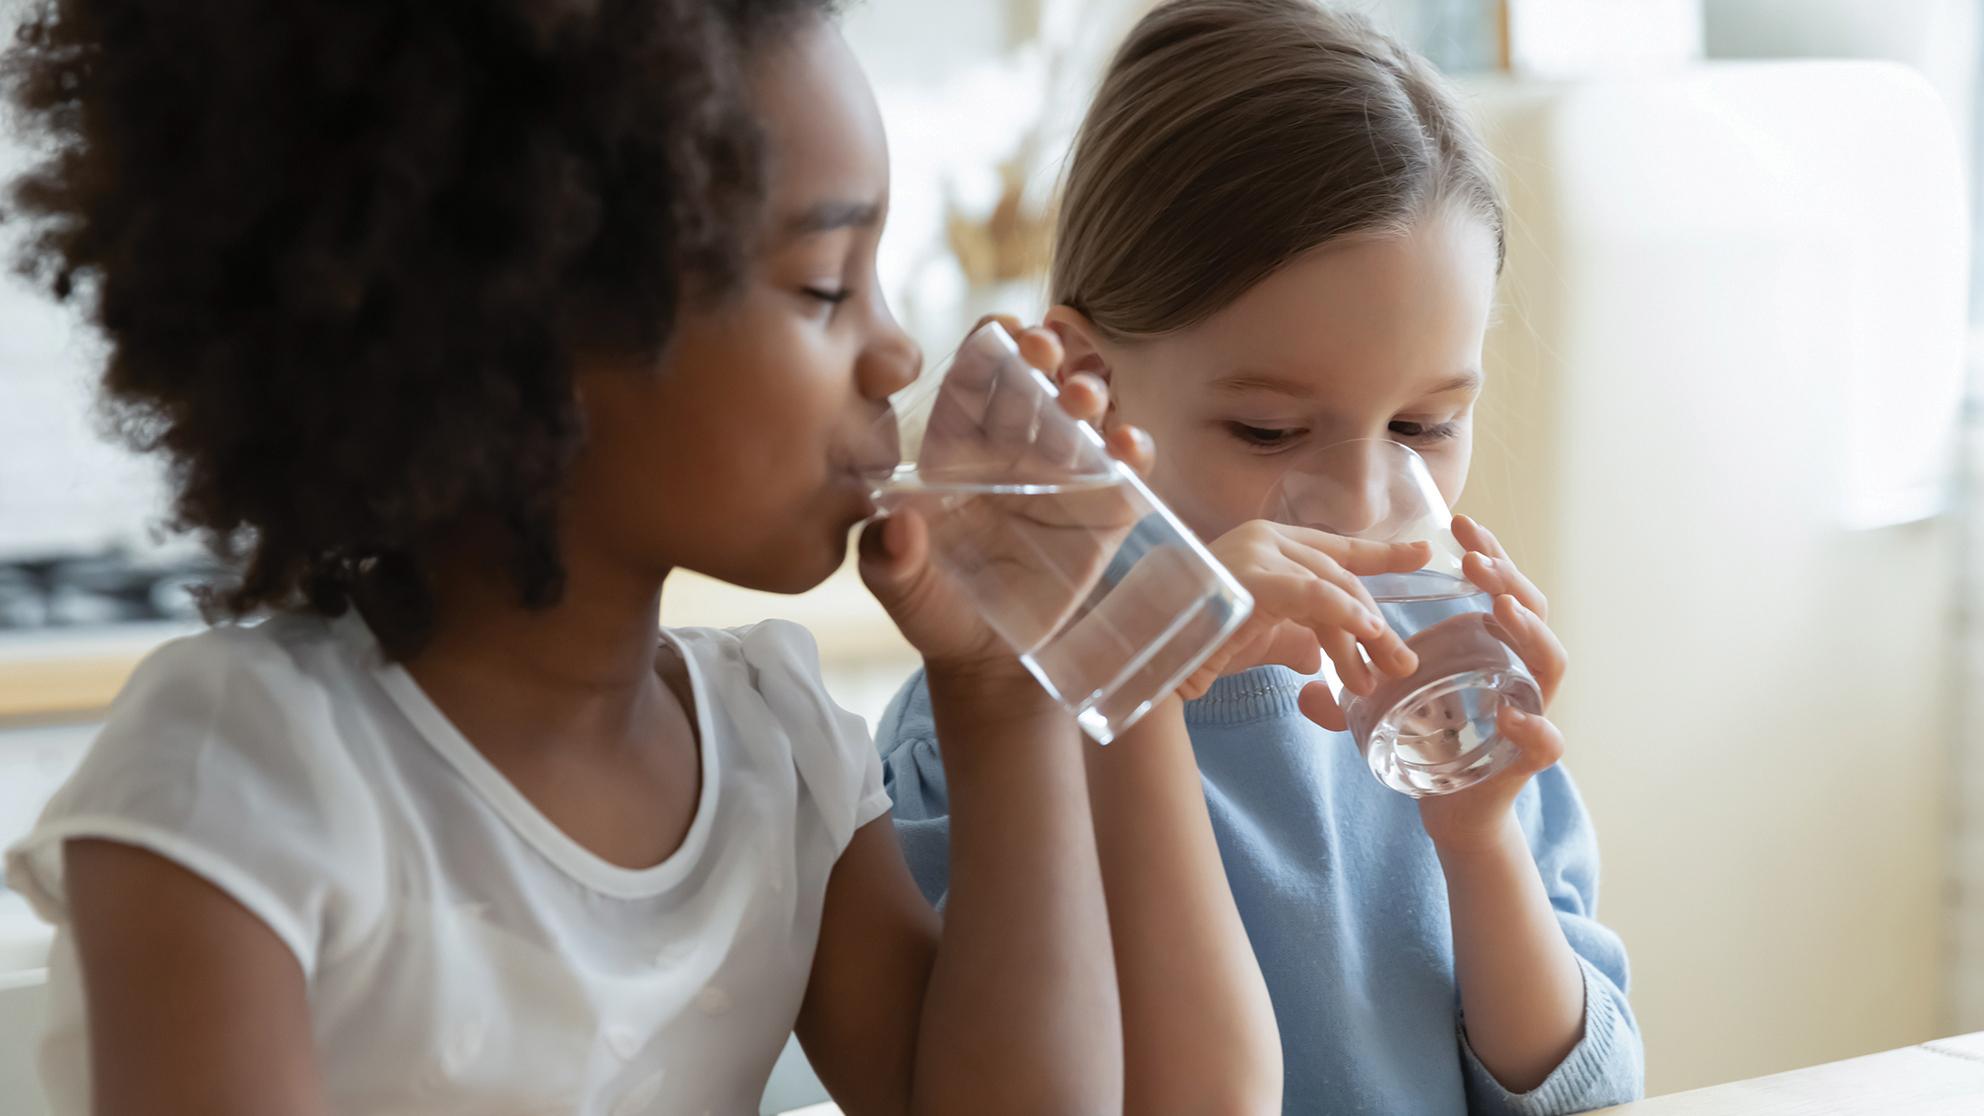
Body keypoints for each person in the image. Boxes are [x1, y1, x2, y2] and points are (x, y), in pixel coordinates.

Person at [0, 1, 1280, 1112]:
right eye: (827, 287)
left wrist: (1001, 694)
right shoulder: (247, 778)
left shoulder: (780, 754)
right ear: (534, 327)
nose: (897, 355)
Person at [877, 2, 1646, 1112]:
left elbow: (1590, 1094)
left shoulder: (1446, 707)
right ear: (1088, 392)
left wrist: (1479, 847)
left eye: (1425, 425)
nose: (1367, 504)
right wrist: (1142, 649)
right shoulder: (994, 721)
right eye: (1270, 433)